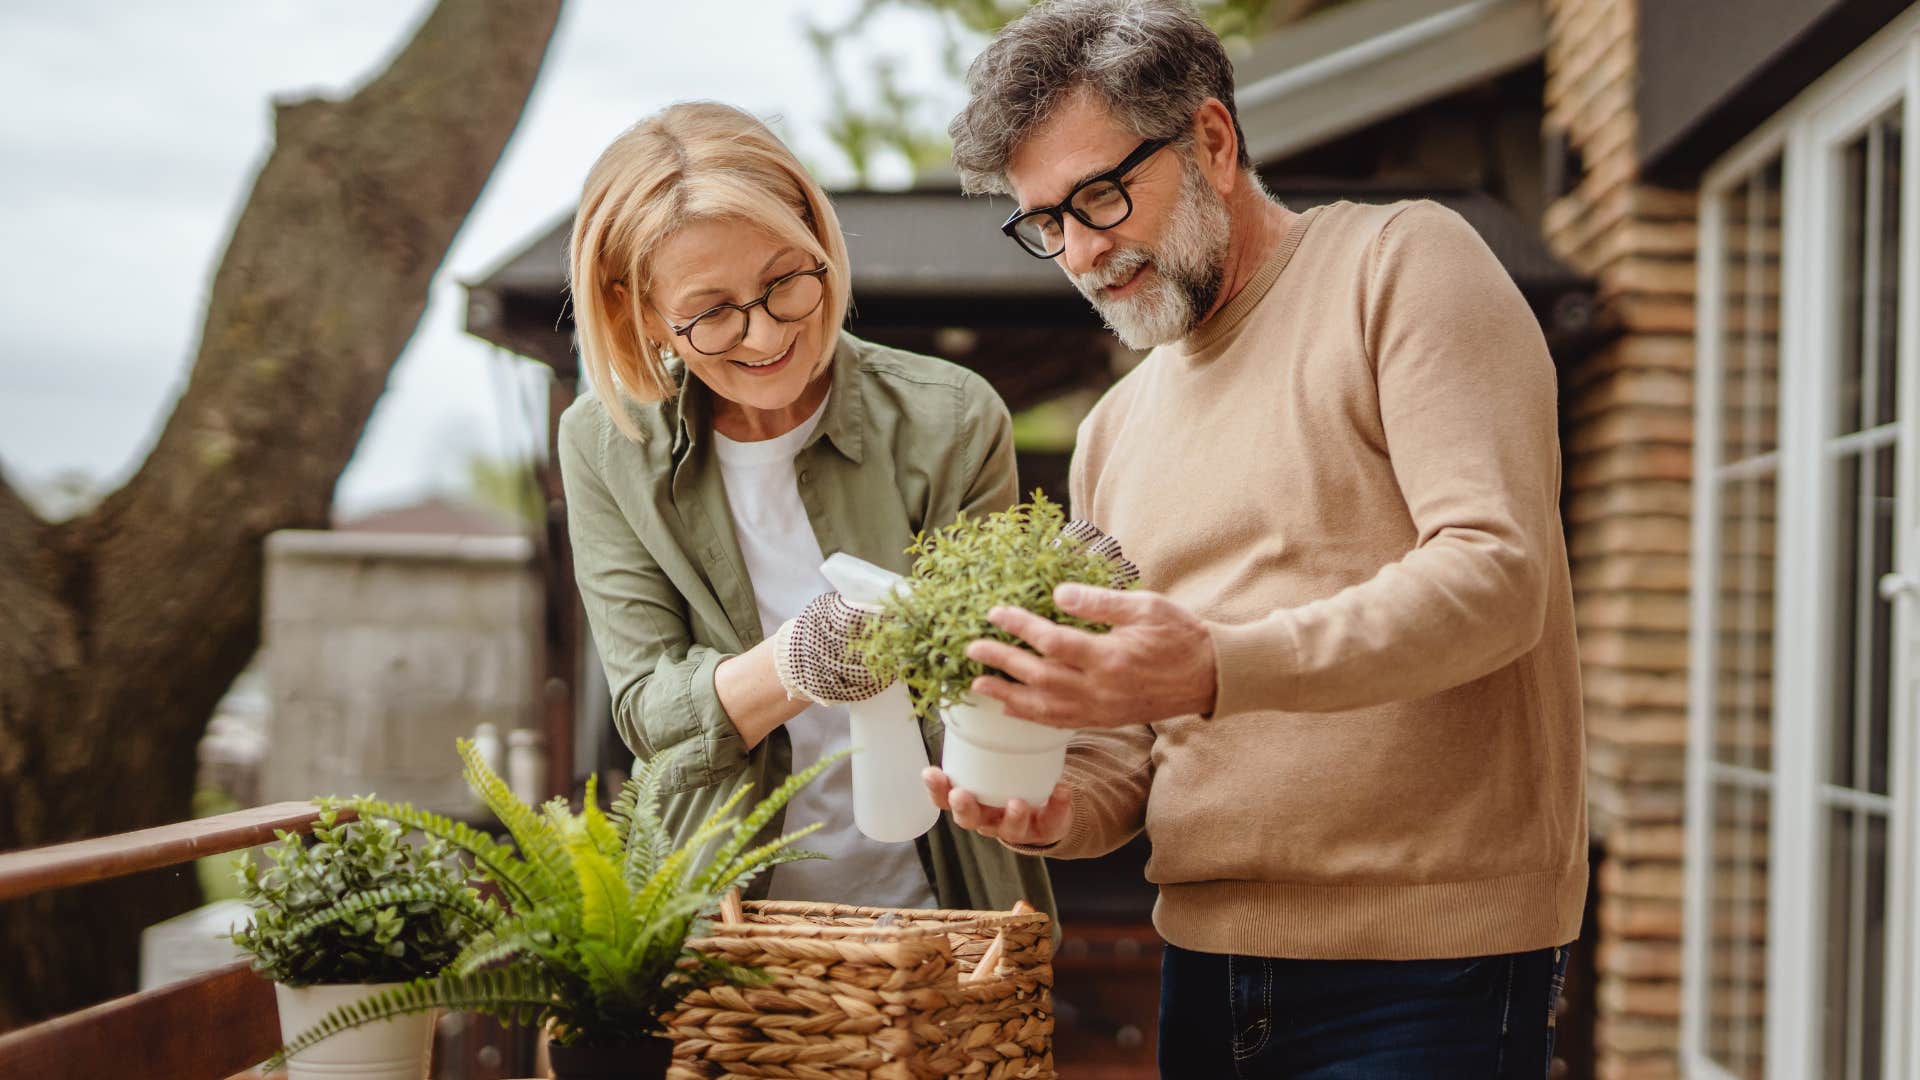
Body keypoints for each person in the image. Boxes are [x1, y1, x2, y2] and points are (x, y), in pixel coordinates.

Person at [925, 1, 1587, 1075]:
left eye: (1100, 196)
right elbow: (1128, 750)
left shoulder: (1402, 265)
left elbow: (1496, 576)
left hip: (1432, 968)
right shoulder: (1109, 434)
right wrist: (1056, 810)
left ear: (1213, 143)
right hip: (1202, 961)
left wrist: (1217, 663)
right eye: (1045, 222)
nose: (1083, 251)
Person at [557, 101, 1053, 920]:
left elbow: (997, 687)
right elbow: (647, 708)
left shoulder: (951, 419)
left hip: (947, 919)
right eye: (712, 312)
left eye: (786, 280)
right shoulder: (606, 444)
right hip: (715, 930)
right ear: (642, 313)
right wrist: (796, 662)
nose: (763, 336)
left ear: (817, 237)